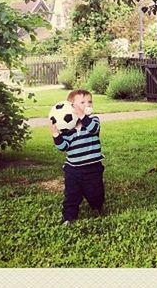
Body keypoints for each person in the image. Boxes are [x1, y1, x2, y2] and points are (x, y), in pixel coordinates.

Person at [49, 88, 105, 224]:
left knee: (95, 194)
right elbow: (63, 147)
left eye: (90, 102)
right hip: (73, 169)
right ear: (71, 106)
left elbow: (93, 129)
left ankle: (96, 205)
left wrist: (82, 116)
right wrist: (56, 135)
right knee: (71, 195)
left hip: (93, 167)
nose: (87, 105)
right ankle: (69, 217)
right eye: (82, 102)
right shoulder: (67, 129)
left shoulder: (93, 120)